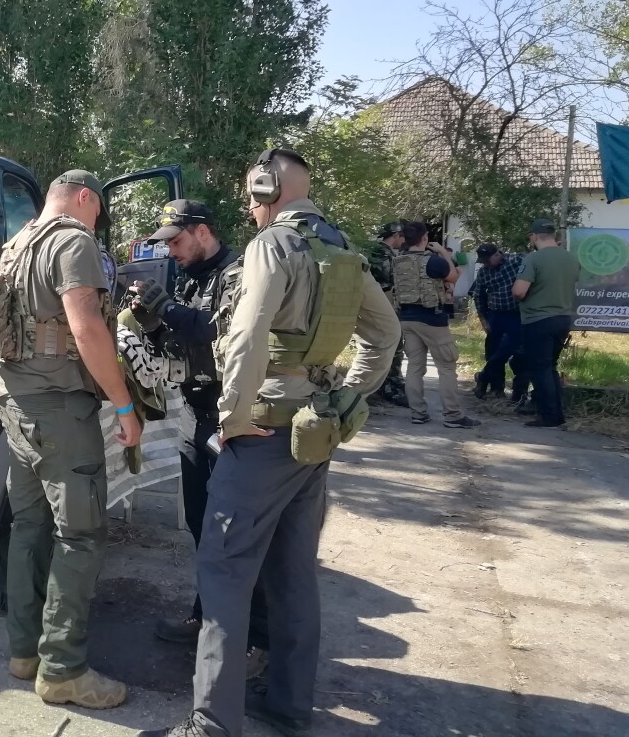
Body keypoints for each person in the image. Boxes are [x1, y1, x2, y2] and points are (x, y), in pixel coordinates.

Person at [140, 149, 400, 737]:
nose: (249, 206)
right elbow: (384, 334)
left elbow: (246, 335)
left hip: (262, 433)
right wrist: (348, 397)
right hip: (313, 431)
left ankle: (211, 724)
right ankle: (288, 704)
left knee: (224, 572)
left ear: (266, 188)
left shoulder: (272, 246)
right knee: (293, 574)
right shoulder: (341, 250)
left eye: (251, 195)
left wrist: (231, 417)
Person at [0, 170, 141, 709]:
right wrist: (123, 404)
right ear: (84, 198)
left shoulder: (18, 243)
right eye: (97, 210)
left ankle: (24, 653)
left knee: (28, 526)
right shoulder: (73, 242)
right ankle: (63, 670)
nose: (96, 222)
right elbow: (87, 328)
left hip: (14, 401)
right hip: (58, 409)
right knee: (80, 535)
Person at [126, 201, 268, 669]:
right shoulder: (190, 277)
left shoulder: (239, 273)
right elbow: (178, 342)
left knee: (238, 534)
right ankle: (205, 616)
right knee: (201, 526)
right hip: (193, 414)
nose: (170, 250)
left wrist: (165, 307)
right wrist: (151, 322)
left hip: (229, 420)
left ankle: (256, 640)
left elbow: (214, 330)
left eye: (176, 240)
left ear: (202, 231)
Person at [394, 222, 478, 429]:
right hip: (432, 319)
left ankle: (418, 413)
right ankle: (453, 415)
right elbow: (453, 277)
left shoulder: (398, 261)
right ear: (424, 238)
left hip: (407, 318)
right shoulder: (433, 261)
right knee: (447, 367)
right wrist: (444, 253)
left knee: (414, 367)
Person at [512, 219, 581, 428]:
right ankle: (557, 414)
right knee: (550, 367)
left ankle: (548, 415)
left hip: (537, 319)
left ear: (533, 236)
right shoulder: (571, 258)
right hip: (563, 318)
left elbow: (519, 291)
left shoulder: (533, 259)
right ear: (554, 235)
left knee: (539, 368)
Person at [469, 244, 527, 402]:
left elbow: (535, 261)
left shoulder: (516, 260)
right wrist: (483, 319)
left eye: (488, 260)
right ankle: (497, 388)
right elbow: (478, 295)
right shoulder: (484, 272)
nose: (486, 264)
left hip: (516, 314)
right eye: (483, 261)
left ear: (497, 254)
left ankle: (483, 377)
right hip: (495, 314)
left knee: (507, 350)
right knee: (492, 351)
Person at [363, 221, 409, 407]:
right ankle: (392, 388)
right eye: (402, 237)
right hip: (385, 304)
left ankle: (383, 386)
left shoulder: (374, 251)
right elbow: (387, 280)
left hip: (377, 305)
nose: (403, 241)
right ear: (396, 235)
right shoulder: (383, 253)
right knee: (395, 345)